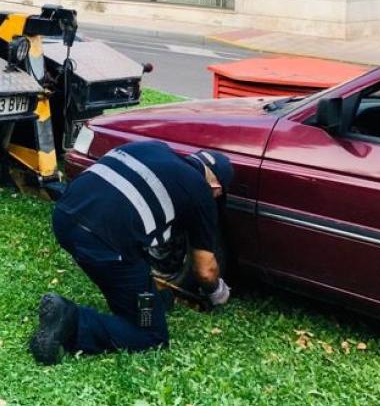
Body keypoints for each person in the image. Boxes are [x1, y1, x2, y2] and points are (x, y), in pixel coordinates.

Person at [30, 141, 234, 363]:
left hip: (64, 219)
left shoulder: (152, 147)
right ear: (216, 188)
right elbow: (205, 270)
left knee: (139, 287)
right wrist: (217, 293)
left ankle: (151, 302)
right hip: (103, 243)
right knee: (150, 335)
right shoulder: (201, 191)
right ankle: (73, 321)